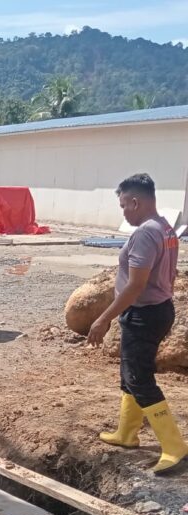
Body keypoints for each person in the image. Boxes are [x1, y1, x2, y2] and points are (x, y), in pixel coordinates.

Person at [88, 173, 186, 473]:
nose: (123, 213)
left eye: (123, 206)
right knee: (130, 374)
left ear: (135, 202)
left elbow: (135, 285)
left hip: (144, 314)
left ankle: (174, 446)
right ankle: (127, 433)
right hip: (158, 309)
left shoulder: (145, 233)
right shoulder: (166, 228)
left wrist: (102, 319)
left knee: (139, 379)